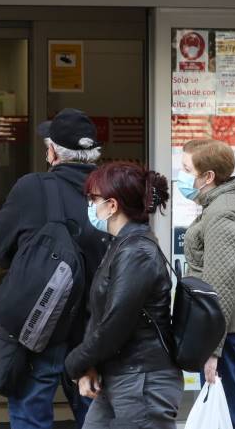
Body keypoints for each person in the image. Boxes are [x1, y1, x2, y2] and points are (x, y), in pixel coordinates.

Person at [0, 108, 110, 429]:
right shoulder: (113, 193)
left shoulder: (32, 187)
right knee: (94, 418)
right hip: (94, 332)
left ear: (53, 152)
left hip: (39, 326)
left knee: (30, 416)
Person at [64, 162, 181, 429]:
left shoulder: (136, 251)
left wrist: (75, 363)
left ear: (112, 205)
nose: (90, 205)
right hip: (121, 377)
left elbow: (116, 322)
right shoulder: (122, 245)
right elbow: (104, 316)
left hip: (141, 382)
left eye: (93, 199)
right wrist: (89, 365)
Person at [178, 138, 235, 429]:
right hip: (229, 330)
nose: (180, 175)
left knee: (229, 413)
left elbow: (221, 284)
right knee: (230, 409)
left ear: (208, 177)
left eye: (186, 168)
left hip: (227, 332)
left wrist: (212, 351)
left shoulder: (224, 211)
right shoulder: (225, 202)